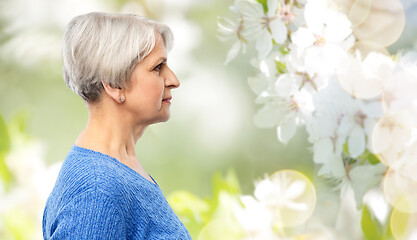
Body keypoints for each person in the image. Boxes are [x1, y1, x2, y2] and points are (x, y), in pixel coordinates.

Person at [42, 12, 191, 239]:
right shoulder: (97, 189)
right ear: (114, 85)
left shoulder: (120, 169)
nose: (173, 80)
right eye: (157, 67)